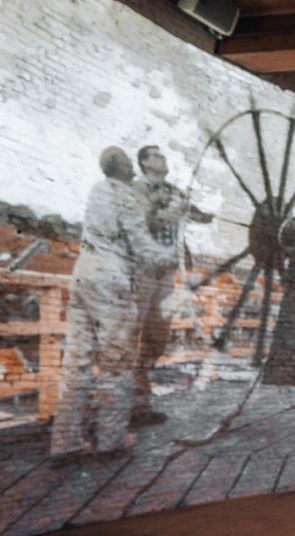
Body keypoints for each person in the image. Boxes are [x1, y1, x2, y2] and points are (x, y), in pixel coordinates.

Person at [50, 147, 167, 457]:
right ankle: (111, 438)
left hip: (83, 273)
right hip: (111, 277)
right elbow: (142, 245)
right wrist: (169, 257)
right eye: (130, 163)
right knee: (116, 362)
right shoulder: (126, 197)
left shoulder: (96, 190)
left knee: (76, 360)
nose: (133, 168)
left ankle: (66, 442)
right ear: (124, 168)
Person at [129, 145, 211, 427]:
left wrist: (203, 211)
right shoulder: (136, 191)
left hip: (165, 273)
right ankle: (121, 407)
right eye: (154, 155)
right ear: (143, 163)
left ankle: (140, 404)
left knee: (156, 336)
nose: (162, 158)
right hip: (141, 270)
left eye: (162, 155)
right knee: (131, 334)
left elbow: (199, 216)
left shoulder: (174, 191)